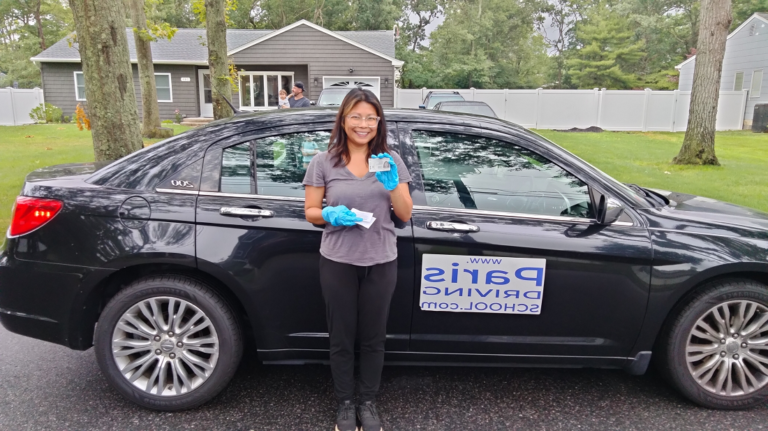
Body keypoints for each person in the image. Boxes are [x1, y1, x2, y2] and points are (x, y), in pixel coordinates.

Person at [303, 88, 412, 431]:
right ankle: (345, 403)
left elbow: (405, 215)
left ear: (379, 122)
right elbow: (310, 212)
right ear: (343, 120)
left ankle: (368, 401)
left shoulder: (390, 160)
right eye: (356, 116)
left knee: (373, 337)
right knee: (342, 336)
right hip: (338, 260)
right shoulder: (324, 161)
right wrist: (329, 214)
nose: (363, 124)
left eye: (370, 117)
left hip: (381, 260)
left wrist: (392, 185)